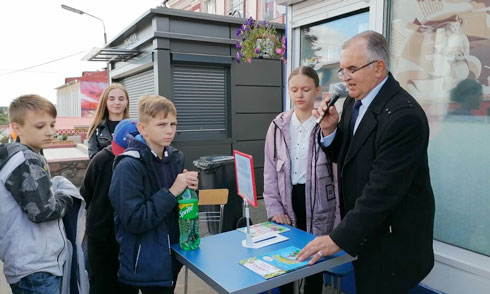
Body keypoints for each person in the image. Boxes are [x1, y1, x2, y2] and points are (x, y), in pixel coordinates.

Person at [297, 31, 435, 294]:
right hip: (367, 234)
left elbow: (382, 191)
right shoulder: (353, 102)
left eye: (352, 69)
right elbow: (348, 158)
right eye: (342, 70)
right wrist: (329, 131)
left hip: (393, 244)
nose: (344, 77)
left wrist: (338, 238)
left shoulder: (404, 117)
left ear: (379, 68)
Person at [108, 95, 199, 294]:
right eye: (161, 124)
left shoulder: (174, 157)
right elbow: (134, 220)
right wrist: (173, 190)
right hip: (146, 260)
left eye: (173, 124)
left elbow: (175, 206)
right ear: (142, 128)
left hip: (174, 252)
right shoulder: (128, 166)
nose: (169, 130)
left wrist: (189, 191)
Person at [263, 66, 336, 293]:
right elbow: (270, 170)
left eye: (305, 89)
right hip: (287, 200)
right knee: (284, 257)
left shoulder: (326, 123)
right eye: (294, 89)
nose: (299, 95)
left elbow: (336, 171)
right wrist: (274, 208)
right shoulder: (278, 125)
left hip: (318, 203)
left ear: (317, 90)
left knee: (313, 258)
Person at [0, 95, 74, 294]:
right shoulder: (26, 159)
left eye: (52, 124)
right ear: (16, 127)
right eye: (41, 126)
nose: (50, 132)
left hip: (28, 262)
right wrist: (66, 196)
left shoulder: (20, 156)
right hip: (36, 265)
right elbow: (43, 211)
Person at [81, 118, 139, 294]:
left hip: (127, 233)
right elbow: (85, 193)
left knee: (126, 284)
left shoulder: (139, 163)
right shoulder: (100, 159)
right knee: (100, 282)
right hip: (100, 234)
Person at [87, 83, 130, 159]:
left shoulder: (134, 127)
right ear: (105, 102)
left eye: (121, 99)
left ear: (127, 102)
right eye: (112, 99)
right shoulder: (96, 128)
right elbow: (93, 158)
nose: (117, 103)